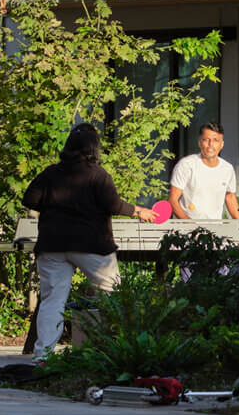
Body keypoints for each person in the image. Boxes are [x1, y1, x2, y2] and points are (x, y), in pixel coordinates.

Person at [21, 122, 157, 360]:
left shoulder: (50, 173)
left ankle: (43, 357)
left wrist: (55, 206)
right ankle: (124, 350)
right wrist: (138, 211)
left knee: (53, 300)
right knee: (115, 294)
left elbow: (29, 199)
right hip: (92, 245)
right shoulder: (98, 175)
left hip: (53, 245)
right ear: (94, 149)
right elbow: (113, 205)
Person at [169, 122, 239, 227]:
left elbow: (230, 197)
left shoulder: (227, 169)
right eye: (206, 140)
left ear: (222, 144)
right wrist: (190, 225)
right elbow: (173, 200)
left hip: (214, 231)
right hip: (185, 231)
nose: (210, 144)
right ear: (199, 143)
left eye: (215, 140)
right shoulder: (186, 165)